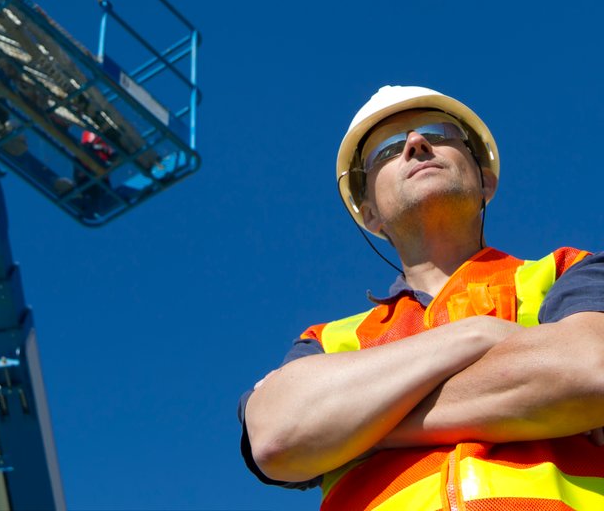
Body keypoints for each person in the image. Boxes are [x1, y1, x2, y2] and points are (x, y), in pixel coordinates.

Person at [238, 85, 604, 510]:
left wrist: (361, 429)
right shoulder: (329, 339)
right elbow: (276, 435)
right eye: (388, 150)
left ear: (485, 180)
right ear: (369, 212)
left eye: (439, 134)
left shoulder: (568, 271)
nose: (416, 143)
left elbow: (591, 367)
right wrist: (478, 334)